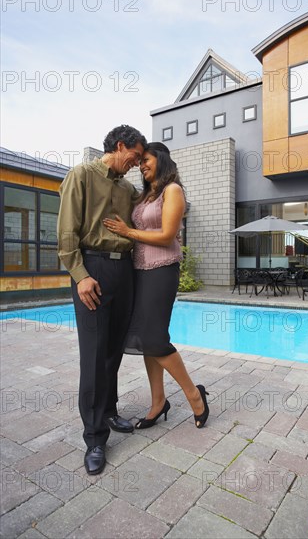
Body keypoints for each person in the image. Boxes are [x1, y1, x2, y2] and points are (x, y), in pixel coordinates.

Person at [57, 124, 147, 475]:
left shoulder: (127, 189)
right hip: (91, 268)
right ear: (120, 146)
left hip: (123, 271)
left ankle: (108, 411)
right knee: (94, 355)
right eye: (135, 157)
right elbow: (67, 232)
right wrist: (80, 276)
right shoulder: (80, 175)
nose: (137, 164)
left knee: (112, 350)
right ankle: (95, 439)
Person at [103, 142, 209, 430]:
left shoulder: (172, 190)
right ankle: (158, 402)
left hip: (162, 270)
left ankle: (193, 395)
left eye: (146, 160)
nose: (142, 165)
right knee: (147, 340)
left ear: (161, 160)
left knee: (154, 338)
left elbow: (167, 235)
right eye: (139, 162)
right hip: (138, 272)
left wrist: (128, 231)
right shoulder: (145, 195)